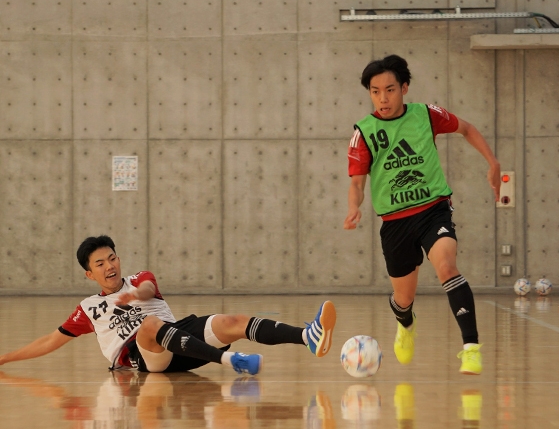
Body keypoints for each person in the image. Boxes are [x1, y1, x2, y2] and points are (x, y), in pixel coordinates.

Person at [343, 55, 501, 375]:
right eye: (375, 91)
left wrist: (493, 162)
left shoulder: (427, 114)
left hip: (433, 210)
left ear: (404, 88)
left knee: (447, 266)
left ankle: (471, 348)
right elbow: (357, 183)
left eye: (389, 90)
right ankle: (406, 323)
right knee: (403, 299)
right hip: (394, 223)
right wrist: (353, 207)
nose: (383, 98)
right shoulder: (364, 132)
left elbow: (467, 129)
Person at [0, 235, 337, 375]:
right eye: (100, 264)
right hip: (146, 357)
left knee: (230, 320)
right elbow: (50, 340)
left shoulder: (139, 279)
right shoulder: (88, 308)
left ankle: (307, 336)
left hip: (180, 340)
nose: (109, 266)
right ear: (90, 274)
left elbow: (148, 289)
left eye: (112, 258)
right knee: (148, 327)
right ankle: (231, 361)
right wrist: (4, 358)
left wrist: (137, 295)